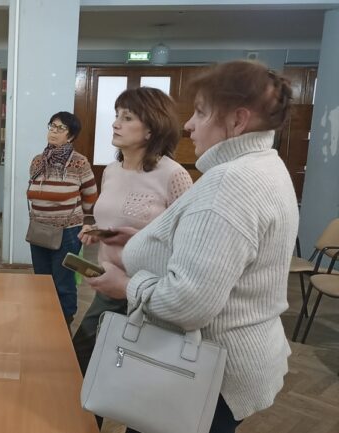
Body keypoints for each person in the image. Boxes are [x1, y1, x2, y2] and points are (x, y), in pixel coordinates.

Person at [86, 61, 297, 433]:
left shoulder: (229, 184)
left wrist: (127, 287)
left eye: (200, 112)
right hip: (224, 362)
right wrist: (139, 240)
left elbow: (188, 304)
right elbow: (214, 253)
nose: (188, 125)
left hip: (206, 372)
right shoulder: (264, 166)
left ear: (238, 120)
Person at [71, 87, 192, 377]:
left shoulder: (173, 175)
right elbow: (117, 219)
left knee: (130, 371)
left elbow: (189, 240)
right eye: (117, 116)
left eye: (127, 118)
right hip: (109, 284)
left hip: (149, 290)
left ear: (151, 129)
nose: (115, 124)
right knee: (82, 359)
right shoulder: (112, 170)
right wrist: (99, 231)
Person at [27, 111, 98, 326]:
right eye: (52, 126)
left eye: (61, 128)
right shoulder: (38, 161)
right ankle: (45, 319)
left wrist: (83, 220)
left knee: (63, 282)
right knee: (42, 280)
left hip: (67, 232)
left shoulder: (79, 163)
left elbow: (90, 196)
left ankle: (64, 323)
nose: (54, 131)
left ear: (71, 136)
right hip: (39, 230)